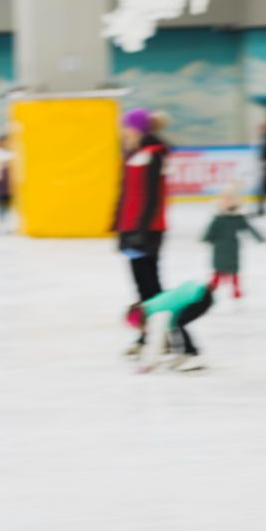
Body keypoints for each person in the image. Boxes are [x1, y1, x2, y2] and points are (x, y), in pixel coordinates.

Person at [113, 108, 170, 355]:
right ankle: (149, 336)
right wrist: (118, 225)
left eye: (126, 126)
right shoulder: (131, 154)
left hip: (147, 231)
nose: (122, 130)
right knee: (142, 288)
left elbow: (151, 199)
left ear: (137, 128)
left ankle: (168, 337)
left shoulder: (153, 155)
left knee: (152, 288)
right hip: (131, 229)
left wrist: (141, 231)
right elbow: (125, 194)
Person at [126, 280, 214, 373]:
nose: (141, 330)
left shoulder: (156, 315)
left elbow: (156, 340)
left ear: (141, 321)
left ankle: (193, 356)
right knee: (176, 324)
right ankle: (185, 354)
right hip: (199, 291)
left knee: (179, 323)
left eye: (138, 327)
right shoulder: (150, 306)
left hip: (200, 296)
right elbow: (168, 333)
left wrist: (148, 365)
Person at [203, 186, 266, 299]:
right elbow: (211, 230)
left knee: (233, 268)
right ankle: (214, 285)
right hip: (220, 246)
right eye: (225, 199)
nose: (227, 202)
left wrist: (260, 238)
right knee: (219, 267)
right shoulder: (219, 218)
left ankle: (236, 289)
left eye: (230, 199)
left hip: (232, 246)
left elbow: (249, 228)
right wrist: (207, 239)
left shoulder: (237, 218)